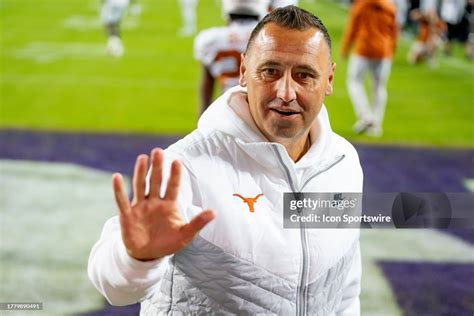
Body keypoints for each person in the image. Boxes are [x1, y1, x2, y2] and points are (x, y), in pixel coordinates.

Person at [88, 6, 363, 314]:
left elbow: (344, 289)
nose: (286, 92)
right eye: (270, 71)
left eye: (304, 75)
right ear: (244, 72)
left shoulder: (342, 163)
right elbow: (114, 287)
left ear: (329, 79)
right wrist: (136, 258)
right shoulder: (186, 165)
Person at [194, 0, 268, 113]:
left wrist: (202, 119)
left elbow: (207, 86)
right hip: (260, 110)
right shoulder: (267, 37)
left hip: (227, 109)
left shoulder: (210, 39)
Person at [341, 0, 398, 137]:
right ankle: (376, 126)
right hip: (384, 51)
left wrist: (345, 48)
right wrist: (392, 50)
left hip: (363, 49)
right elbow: (395, 31)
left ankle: (365, 116)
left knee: (354, 81)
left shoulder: (361, 4)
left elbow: (352, 26)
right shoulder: (390, 6)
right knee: (379, 87)